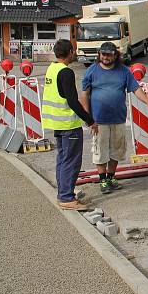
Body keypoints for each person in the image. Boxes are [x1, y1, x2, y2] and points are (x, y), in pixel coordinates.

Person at [81, 41, 148, 194]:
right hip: (99, 120)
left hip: (118, 118)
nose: (105, 57)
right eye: (103, 54)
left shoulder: (124, 71)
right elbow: (84, 94)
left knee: (117, 150)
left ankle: (111, 177)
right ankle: (102, 180)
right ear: (99, 55)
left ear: (116, 55)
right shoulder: (92, 71)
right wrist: (88, 117)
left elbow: (135, 88)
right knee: (100, 150)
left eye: (109, 54)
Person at [42, 39, 96, 210]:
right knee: (71, 162)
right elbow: (73, 101)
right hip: (68, 124)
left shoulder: (52, 68)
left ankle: (63, 193)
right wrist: (89, 120)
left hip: (57, 123)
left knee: (63, 160)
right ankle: (66, 197)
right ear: (70, 52)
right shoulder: (66, 72)